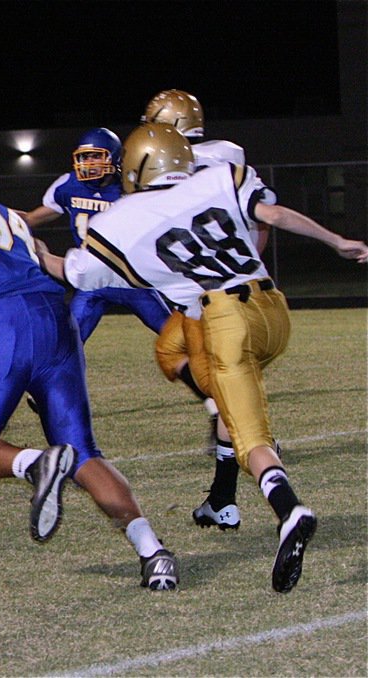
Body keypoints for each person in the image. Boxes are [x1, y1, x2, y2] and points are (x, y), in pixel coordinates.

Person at [38, 122, 368, 593]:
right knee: (172, 348)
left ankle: (289, 509)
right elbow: (274, 216)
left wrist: (31, 248)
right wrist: (337, 241)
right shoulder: (216, 178)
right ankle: (217, 423)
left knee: (249, 434)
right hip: (272, 309)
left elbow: (70, 272)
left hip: (226, 321)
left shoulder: (125, 218)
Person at [0, 145, 178, 590]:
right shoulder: (9, 215)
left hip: (6, 324)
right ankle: (153, 552)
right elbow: (38, 261)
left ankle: (35, 465)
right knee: (82, 450)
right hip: (54, 319)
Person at [142, 88, 268, 529]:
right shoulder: (228, 159)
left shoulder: (185, 167)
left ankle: (264, 488)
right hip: (240, 291)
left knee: (221, 393)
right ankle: (222, 495)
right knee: (171, 354)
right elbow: (263, 216)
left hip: (208, 300)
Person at [17, 128, 172, 342]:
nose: (89, 162)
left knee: (174, 335)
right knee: (67, 344)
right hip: (92, 280)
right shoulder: (68, 186)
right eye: (85, 156)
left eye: (96, 156)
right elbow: (32, 218)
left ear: (114, 157)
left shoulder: (129, 186)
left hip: (129, 278)